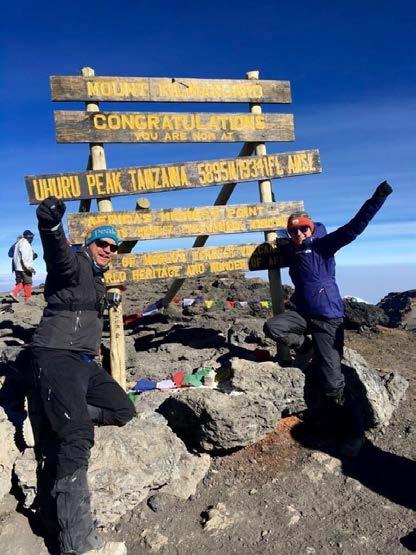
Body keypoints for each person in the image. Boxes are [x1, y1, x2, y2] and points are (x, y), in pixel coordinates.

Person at [30, 196, 135, 555]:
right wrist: (50, 225)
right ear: (89, 244)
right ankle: (79, 546)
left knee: (122, 409)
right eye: (102, 243)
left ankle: (58, 411)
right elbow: (56, 253)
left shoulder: (98, 278)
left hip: (84, 362)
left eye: (113, 246)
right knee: (77, 436)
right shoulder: (74, 264)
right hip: (56, 354)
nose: (108, 249)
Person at [263, 181, 393, 457]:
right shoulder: (290, 249)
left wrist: (377, 197)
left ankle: (353, 434)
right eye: (293, 229)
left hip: (328, 319)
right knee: (273, 326)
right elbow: (275, 220)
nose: (299, 232)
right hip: (302, 314)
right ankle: (307, 347)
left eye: (303, 228)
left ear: (312, 227)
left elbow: (355, 227)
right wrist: (272, 204)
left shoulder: (324, 245)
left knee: (333, 382)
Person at [10, 230, 36, 301]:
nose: (32, 239)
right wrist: (29, 267)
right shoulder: (25, 243)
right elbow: (25, 256)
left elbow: (15, 256)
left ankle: (14, 293)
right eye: (31, 237)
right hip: (23, 267)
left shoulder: (18, 243)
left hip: (17, 267)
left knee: (22, 282)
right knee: (28, 282)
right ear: (28, 237)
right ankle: (28, 298)